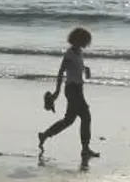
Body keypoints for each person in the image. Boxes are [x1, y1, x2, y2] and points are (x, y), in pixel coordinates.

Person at [37, 27, 98, 162]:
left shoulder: (79, 53)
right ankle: (85, 149)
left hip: (78, 89)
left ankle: (45, 135)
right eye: (86, 40)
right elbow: (61, 72)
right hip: (72, 90)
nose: (87, 43)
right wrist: (57, 92)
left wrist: (86, 69)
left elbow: (77, 69)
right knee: (86, 117)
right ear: (79, 39)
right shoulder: (69, 54)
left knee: (69, 120)